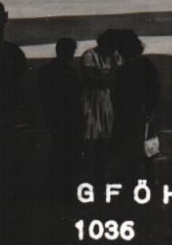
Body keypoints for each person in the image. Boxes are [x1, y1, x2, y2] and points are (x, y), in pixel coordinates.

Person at [37, 37, 84, 199]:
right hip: (69, 117)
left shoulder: (45, 70)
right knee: (69, 152)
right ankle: (65, 188)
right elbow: (77, 96)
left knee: (58, 150)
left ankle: (53, 186)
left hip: (53, 117)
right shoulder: (70, 72)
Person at [114, 30, 160, 184]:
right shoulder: (146, 64)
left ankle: (133, 179)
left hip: (128, 112)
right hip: (143, 110)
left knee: (130, 147)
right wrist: (151, 109)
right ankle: (151, 178)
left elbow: (118, 94)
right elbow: (155, 88)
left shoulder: (123, 70)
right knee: (147, 146)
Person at [79, 31, 123, 185]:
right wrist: (112, 77)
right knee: (90, 135)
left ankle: (101, 172)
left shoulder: (115, 55)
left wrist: (106, 79)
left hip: (107, 100)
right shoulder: (89, 55)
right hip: (91, 100)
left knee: (105, 136)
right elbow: (91, 80)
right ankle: (88, 171)